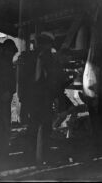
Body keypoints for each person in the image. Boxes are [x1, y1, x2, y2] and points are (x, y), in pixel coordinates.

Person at [20, 33, 65, 164]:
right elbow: (49, 79)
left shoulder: (29, 57)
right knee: (39, 127)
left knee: (39, 127)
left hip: (38, 98)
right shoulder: (43, 58)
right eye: (44, 44)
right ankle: (37, 156)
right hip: (39, 98)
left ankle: (37, 156)